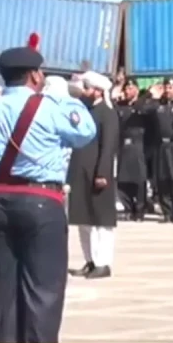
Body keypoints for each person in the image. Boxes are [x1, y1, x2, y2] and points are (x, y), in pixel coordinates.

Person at [0, 33, 96, 343]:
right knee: (42, 291)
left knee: (2, 289)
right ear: (36, 75)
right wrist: (63, 96)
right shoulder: (52, 107)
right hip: (40, 201)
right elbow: (86, 132)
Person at [68, 71, 120, 280]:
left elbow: (108, 147)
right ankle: (90, 260)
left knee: (101, 221)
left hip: (98, 173)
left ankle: (103, 262)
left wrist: (102, 172)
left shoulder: (107, 113)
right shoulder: (86, 110)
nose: (85, 91)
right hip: (81, 173)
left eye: (88, 88)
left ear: (98, 91)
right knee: (84, 220)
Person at [147, 78, 173, 223]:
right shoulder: (157, 104)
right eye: (166, 87)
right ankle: (167, 212)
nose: (168, 90)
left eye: (171, 87)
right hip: (161, 145)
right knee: (162, 180)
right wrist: (150, 96)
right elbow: (142, 109)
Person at [116, 78, 148, 221]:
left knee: (139, 179)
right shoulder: (121, 106)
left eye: (130, 88)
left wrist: (143, 97)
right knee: (123, 180)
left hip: (139, 144)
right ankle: (128, 208)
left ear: (136, 89)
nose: (127, 91)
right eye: (126, 89)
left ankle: (140, 210)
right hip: (123, 145)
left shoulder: (143, 105)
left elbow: (142, 109)